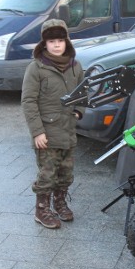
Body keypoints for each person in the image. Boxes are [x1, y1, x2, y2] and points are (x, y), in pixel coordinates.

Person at [21, 19, 86, 229]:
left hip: (68, 131)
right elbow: (28, 101)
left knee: (66, 173)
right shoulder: (36, 68)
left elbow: (83, 92)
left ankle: (59, 202)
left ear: (67, 42)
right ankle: (42, 209)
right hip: (47, 134)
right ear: (44, 44)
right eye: (52, 41)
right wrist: (37, 132)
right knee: (47, 173)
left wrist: (78, 112)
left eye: (60, 40)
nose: (57, 45)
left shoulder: (75, 66)